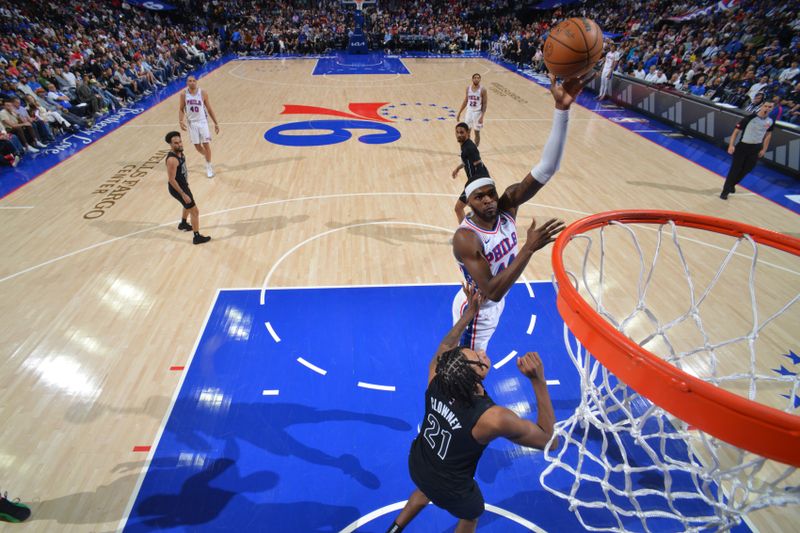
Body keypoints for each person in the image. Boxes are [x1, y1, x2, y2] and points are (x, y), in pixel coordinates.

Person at [385, 285, 557, 533]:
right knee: (473, 514)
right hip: (450, 487)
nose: (481, 354)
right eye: (477, 359)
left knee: (425, 489)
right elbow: (549, 441)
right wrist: (538, 381)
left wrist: (469, 314)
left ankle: (393, 530)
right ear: (474, 378)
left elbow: (446, 346)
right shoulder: (492, 419)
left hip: (419, 462)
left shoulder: (437, 378)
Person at [451, 73, 591, 351]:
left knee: (476, 367)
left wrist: (561, 110)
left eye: (492, 193)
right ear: (469, 203)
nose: (490, 200)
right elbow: (492, 289)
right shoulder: (466, 238)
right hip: (479, 307)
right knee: (471, 369)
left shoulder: (507, 207)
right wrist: (528, 248)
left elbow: (547, 168)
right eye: (480, 197)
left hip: (494, 303)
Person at [720, 102, 775, 200]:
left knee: (747, 169)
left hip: (756, 148)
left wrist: (764, 148)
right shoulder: (750, 118)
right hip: (743, 146)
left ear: (772, 109)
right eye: (765, 106)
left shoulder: (770, 121)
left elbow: (768, 135)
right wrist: (731, 145)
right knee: (735, 169)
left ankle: (732, 184)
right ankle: (725, 191)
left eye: (770, 107)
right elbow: (736, 132)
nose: (767, 108)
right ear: (761, 106)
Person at [164, 131, 211, 245]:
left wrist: (186, 185)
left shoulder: (181, 153)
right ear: (170, 144)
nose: (179, 144)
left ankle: (183, 223)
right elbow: (171, 179)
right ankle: (197, 237)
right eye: (176, 143)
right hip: (178, 189)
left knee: (187, 205)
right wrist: (183, 193)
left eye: (180, 142)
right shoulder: (172, 160)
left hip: (183, 186)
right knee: (194, 211)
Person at [178, 75, 220, 178]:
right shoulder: (183, 94)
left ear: (196, 82)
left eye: (193, 81)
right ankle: (207, 157)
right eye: (189, 81)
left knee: (206, 144)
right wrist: (180, 121)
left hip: (202, 122)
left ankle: (208, 165)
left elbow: (209, 108)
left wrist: (216, 123)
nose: (192, 82)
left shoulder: (203, 93)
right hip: (191, 123)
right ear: (187, 83)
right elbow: (181, 108)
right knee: (197, 146)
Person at [451, 122, 490, 223]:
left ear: (468, 132)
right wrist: (458, 168)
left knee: (458, 208)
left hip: (476, 184)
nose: (459, 134)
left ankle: (464, 235)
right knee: (477, 210)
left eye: (462, 132)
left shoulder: (470, 147)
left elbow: (479, 165)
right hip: (475, 183)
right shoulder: (465, 145)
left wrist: (476, 187)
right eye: (457, 132)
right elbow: (467, 161)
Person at [456, 73, 488, 147]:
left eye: (478, 78)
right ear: (472, 79)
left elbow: (485, 104)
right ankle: (466, 149)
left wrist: (482, 117)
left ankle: (475, 150)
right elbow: (466, 100)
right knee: (466, 132)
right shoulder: (468, 88)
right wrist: (459, 112)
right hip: (469, 111)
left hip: (477, 113)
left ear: (480, 79)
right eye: (475, 78)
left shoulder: (483, 90)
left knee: (477, 132)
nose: (476, 79)